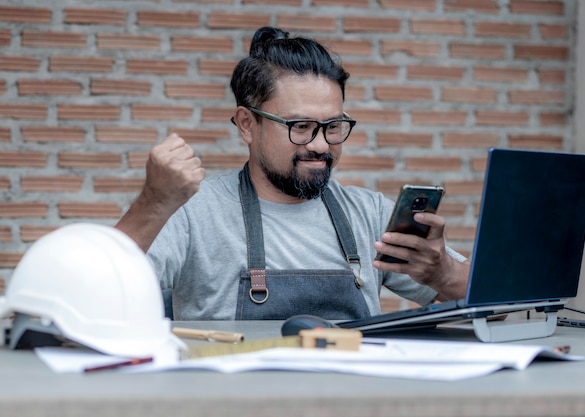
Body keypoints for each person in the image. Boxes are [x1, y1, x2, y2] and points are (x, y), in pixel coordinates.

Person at [115, 26, 470, 320]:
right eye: (300, 126)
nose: (320, 145)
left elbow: (494, 304)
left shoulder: (371, 213)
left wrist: (446, 274)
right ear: (246, 124)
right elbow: (100, 292)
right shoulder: (193, 212)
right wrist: (153, 202)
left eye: (332, 126)